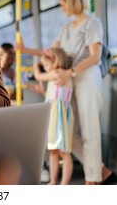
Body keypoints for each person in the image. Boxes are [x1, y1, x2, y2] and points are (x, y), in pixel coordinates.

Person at [16, 0, 117, 185]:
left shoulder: (92, 23)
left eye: (63, 4)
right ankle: (101, 171)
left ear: (72, 2)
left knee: (90, 131)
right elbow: (51, 52)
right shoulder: (66, 28)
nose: (62, 9)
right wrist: (26, 49)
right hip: (69, 79)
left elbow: (95, 56)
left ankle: (93, 179)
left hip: (86, 76)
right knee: (71, 135)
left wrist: (70, 72)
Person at [34, 48, 74, 185]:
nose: (44, 68)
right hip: (55, 114)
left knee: (63, 151)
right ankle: (53, 180)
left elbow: (39, 76)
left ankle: (64, 183)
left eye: (45, 65)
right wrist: (43, 91)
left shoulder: (57, 73)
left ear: (54, 60)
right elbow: (55, 94)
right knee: (53, 150)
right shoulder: (58, 74)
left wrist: (36, 66)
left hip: (58, 115)